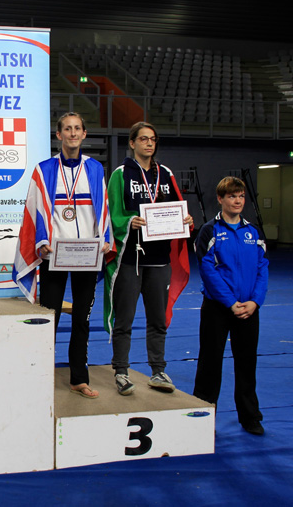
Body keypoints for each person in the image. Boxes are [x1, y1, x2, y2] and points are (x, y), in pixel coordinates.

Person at [13, 112, 111, 398]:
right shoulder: (44, 169)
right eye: (67, 129)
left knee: (81, 319)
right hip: (55, 253)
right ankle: (40, 376)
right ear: (59, 135)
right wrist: (42, 240)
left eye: (77, 128)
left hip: (86, 255)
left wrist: (104, 238)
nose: (73, 133)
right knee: (50, 317)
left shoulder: (95, 168)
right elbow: (35, 208)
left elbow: (102, 206)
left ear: (84, 134)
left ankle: (78, 378)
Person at [104, 122, 192, 396]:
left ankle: (158, 370)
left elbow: (177, 208)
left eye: (153, 139)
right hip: (130, 259)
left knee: (158, 320)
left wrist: (186, 219)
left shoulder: (165, 174)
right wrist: (128, 222)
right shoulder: (121, 174)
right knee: (124, 320)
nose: (149, 143)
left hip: (160, 259)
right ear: (132, 143)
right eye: (143, 139)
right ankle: (121, 371)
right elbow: (111, 213)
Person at [193, 176, 268, 435]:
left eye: (241, 196)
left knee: (247, 364)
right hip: (217, 308)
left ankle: (250, 416)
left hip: (249, 309)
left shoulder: (253, 232)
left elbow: (262, 267)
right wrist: (230, 303)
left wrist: (255, 301)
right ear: (220, 199)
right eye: (232, 196)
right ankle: (202, 417)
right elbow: (207, 270)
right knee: (210, 363)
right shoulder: (209, 231)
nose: (237, 201)